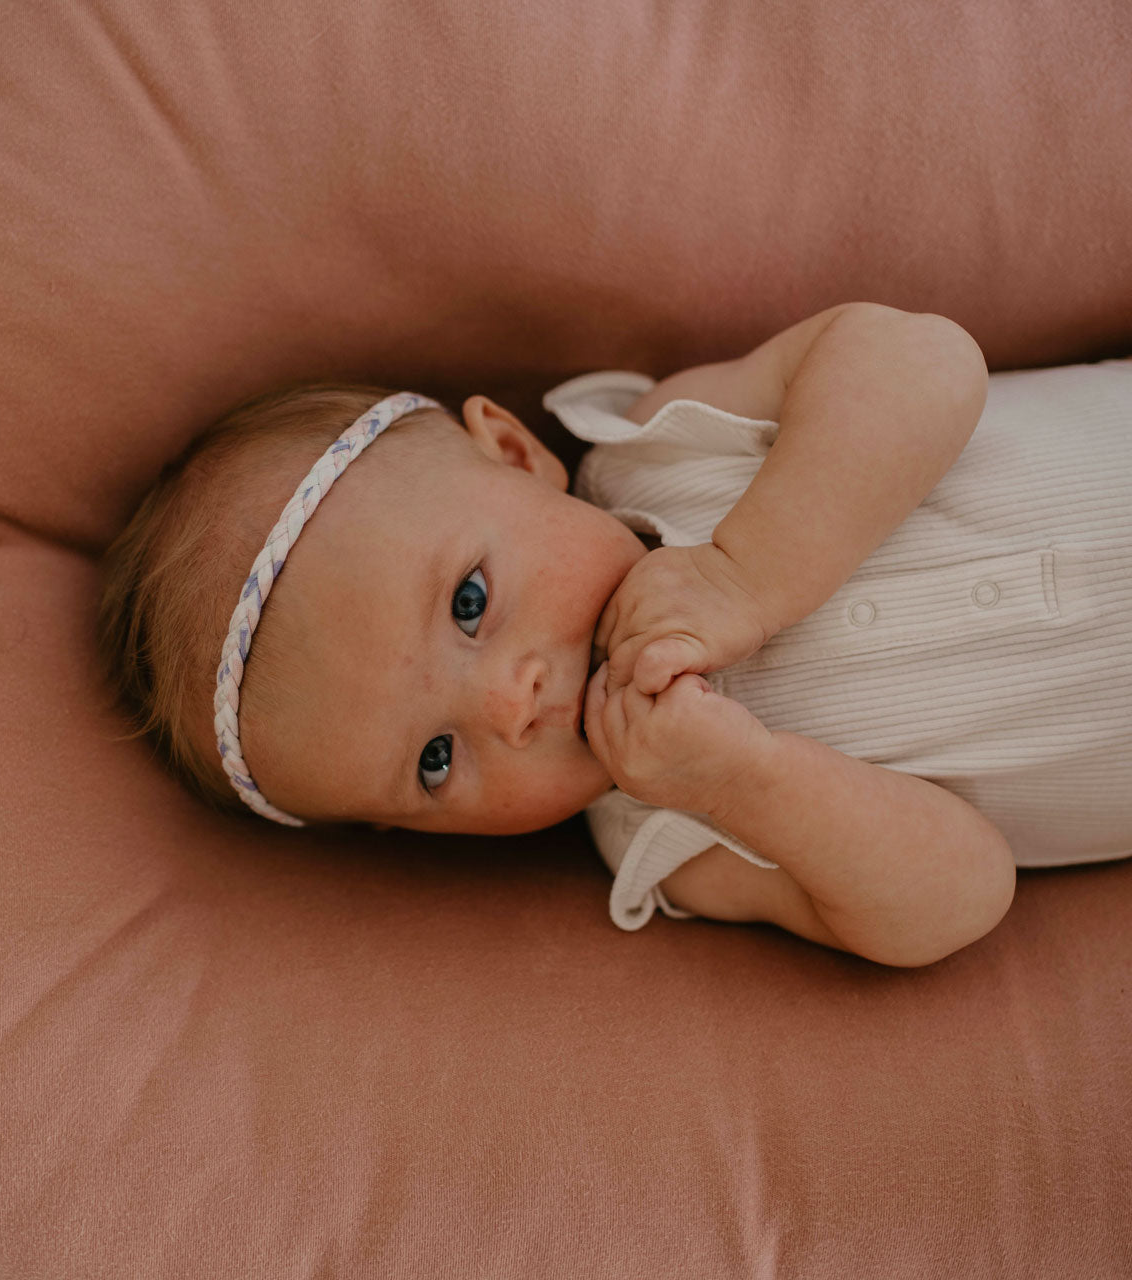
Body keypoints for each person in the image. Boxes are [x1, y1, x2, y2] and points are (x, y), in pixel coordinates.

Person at [97, 301, 1132, 967]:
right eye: (433, 758)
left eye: (467, 603)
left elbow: (924, 361)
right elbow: (958, 898)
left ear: (510, 451)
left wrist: (747, 575)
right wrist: (746, 779)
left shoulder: (665, 447)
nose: (510, 704)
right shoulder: (668, 838)